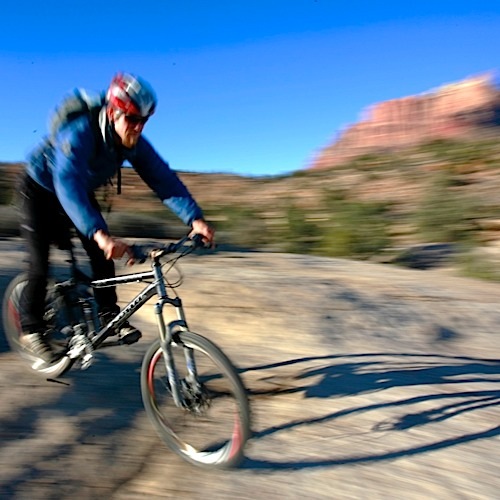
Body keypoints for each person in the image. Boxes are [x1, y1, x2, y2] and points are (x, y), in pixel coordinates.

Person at [18, 72, 215, 364]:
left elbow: (163, 179)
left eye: (144, 121)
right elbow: (67, 181)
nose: (138, 128)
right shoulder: (79, 132)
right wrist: (99, 234)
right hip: (42, 189)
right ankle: (30, 328)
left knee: (102, 257)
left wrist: (194, 219)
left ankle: (109, 315)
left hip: (78, 192)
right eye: (133, 120)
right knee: (39, 263)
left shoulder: (133, 142)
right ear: (112, 112)